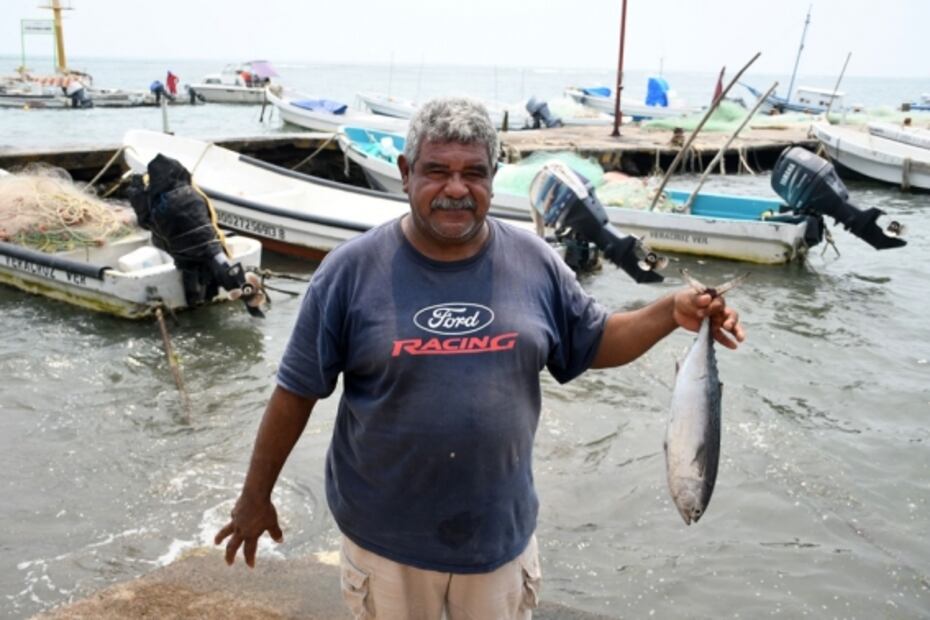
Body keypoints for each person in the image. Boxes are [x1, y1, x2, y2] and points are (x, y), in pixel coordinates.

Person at [215, 97, 745, 619]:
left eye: (473, 173)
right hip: (385, 540)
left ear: (493, 177)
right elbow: (296, 390)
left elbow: (593, 341)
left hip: (498, 539)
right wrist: (254, 497)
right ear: (405, 173)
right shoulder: (349, 271)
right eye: (436, 171)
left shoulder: (535, 261)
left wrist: (670, 311)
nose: (455, 189)